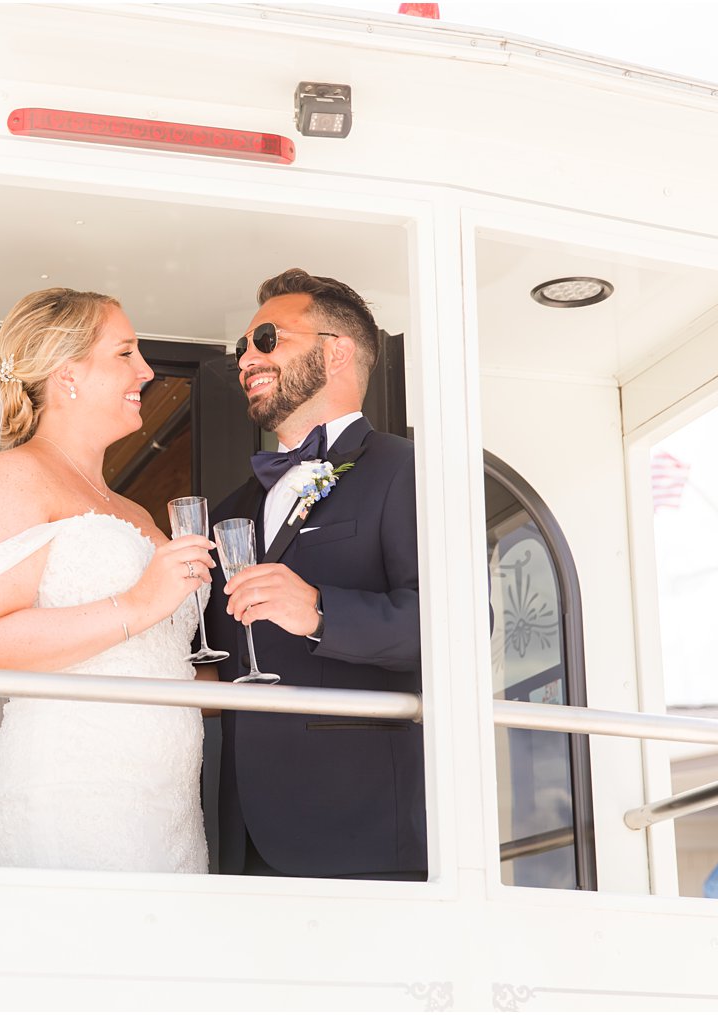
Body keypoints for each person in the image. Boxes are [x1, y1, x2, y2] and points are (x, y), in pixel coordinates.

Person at [0, 287, 216, 873]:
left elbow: (154, 658)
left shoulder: (134, 512)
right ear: (67, 375)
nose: (147, 370)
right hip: (71, 794)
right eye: (126, 353)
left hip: (170, 805)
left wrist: (229, 692)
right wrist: (139, 600)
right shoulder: (14, 477)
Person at [205, 268, 425, 881]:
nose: (246, 357)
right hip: (242, 828)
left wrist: (320, 613)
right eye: (242, 348)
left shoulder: (406, 471)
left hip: (362, 826)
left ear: (336, 352)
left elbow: (454, 629)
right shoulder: (229, 510)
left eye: (267, 338)